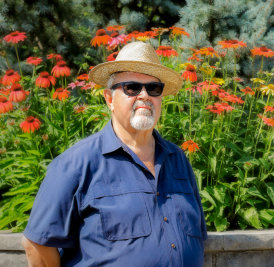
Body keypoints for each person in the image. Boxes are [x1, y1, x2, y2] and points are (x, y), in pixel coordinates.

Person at [22, 42, 207, 267]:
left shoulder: (178, 160)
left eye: (154, 88)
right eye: (131, 87)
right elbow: (38, 244)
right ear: (109, 99)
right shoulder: (74, 165)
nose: (144, 95)